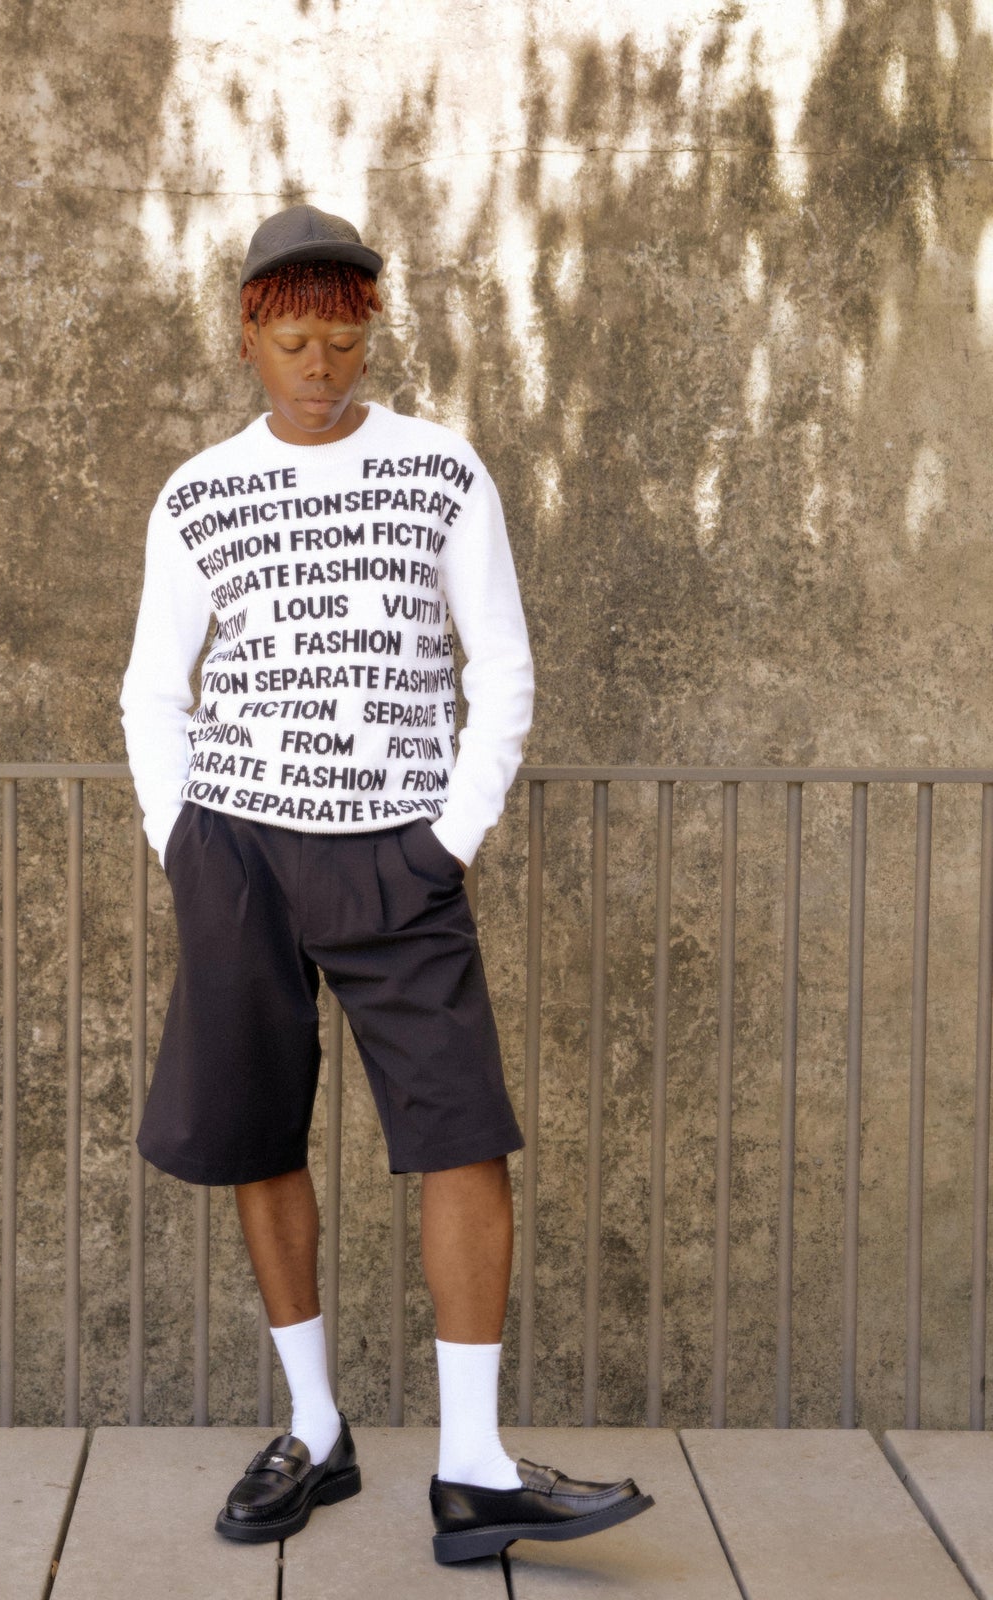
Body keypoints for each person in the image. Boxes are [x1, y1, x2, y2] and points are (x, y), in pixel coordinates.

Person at [119, 203, 653, 1565]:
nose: (319, 365)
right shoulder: (198, 493)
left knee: (460, 1129)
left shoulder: (440, 472)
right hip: (235, 846)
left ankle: (472, 1468)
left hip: (395, 851)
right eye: (293, 340)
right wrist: (182, 836)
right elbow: (151, 687)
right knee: (257, 1130)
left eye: (340, 340)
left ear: (371, 329)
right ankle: (316, 1430)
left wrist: (444, 842)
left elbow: (504, 670)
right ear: (248, 333)